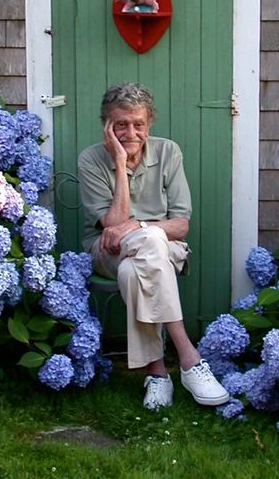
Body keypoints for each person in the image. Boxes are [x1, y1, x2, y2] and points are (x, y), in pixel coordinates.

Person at [78, 82, 229, 411]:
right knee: (145, 248)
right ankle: (189, 357)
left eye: (138, 124)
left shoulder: (168, 152)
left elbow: (181, 225)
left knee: (139, 266)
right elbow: (113, 226)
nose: (130, 132)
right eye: (121, 124)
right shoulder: (91, 159)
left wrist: (140, 226)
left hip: (163, 246)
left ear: (149, 124)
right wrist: (119, 163)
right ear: (107, 125)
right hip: (109, 253)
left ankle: (158, 373)